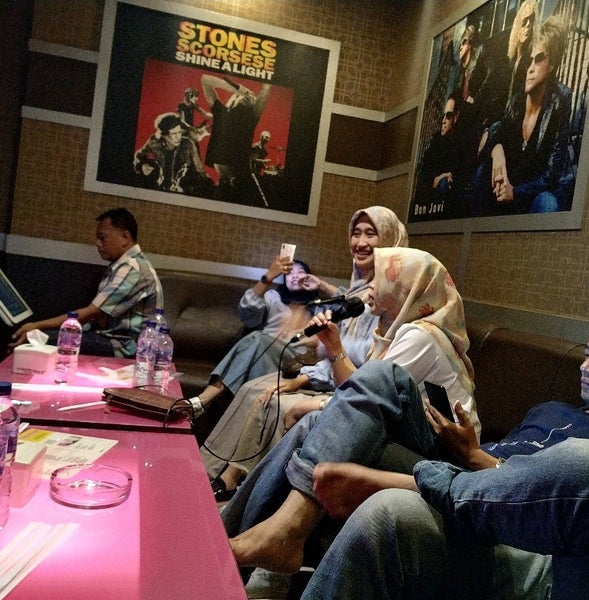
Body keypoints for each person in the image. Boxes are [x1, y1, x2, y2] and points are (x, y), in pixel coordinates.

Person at [221, 246, 481, 573]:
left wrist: (317, 400)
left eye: (381, 278)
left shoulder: (421, 335)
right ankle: (237, 535)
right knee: (312, 423)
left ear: (406, 287)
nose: (370, 287)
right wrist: (333, 346)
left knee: (325, 413)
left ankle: (270, 534)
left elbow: (371, 388)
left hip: (446, 455)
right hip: (409, 438)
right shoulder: (392, 329)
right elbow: (361, 392)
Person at [298, 323, 589, 600]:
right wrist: (466, 449)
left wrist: (475, 457)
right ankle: (281, 542)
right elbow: (504, 455)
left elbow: (539, 501)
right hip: (462, 471)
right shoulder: (551, 409)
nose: (585, 367)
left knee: (387, 507)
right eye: (587, 355)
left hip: (508, 523)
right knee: (331, 418)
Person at [202, 206, 408, 501]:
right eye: (356, 233)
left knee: (270, 397)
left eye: (370, 234)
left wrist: (304, 374)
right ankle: (208, 468)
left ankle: (238, 485)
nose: (360, 242)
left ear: (389, 241)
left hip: (347, 388)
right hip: (327, 374)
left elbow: (362, 363)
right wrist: (271, 278)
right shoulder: (349, 292)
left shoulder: (386, 298)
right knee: (252, 388)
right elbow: (339, 337)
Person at [11, 208, 163, 358]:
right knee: (44, 335)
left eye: (102, 237)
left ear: (125, 237)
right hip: (112, 338)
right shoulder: (125, 264)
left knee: (40, 339)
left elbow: (92, 313)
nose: (97, 243)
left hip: (127, 346)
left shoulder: (132, 268)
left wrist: (37, 326)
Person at [188, 256, 320, 417]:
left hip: (294, 360)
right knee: (258, 343)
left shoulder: (320, 306)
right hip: (264, 356)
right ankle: (221, 409)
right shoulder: (273, 297)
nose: (295, 276)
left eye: (300, 272)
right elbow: (247, 315)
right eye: (290, 273)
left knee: (258, 338)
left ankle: (203, 400)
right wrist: (268, 277)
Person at [472, 15, 573, 215]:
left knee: (548, 203)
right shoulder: (518, 101)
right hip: (506, 187)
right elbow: (495, 136)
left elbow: (551, 175)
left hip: (530, 193)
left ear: (552, 65)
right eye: (530, 60)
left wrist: (515, 193)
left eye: (539, 59)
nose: (530, 68)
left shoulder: (560, 101)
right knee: (483, 171)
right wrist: (497, 152)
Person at [201, 74, 271, 190]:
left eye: (251, 96)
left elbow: (267, 88)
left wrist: (242, 93)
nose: (248, 95)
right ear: (232, 100)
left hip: (243, 180)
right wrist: (236, 90)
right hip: (225, 183)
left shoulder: (251, 118)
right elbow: (205, 80)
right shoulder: (221, 113)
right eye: (240, 96)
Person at [415, 93, 474, 218]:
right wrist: (436, 179)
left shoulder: (464, 142)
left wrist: (443, 178)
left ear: (456, 117)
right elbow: (423, 177)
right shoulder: (436, 141)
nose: (443, 121)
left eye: (448, 116)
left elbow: (461, 176)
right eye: (443, 115)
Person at [133, 112, 211, 195]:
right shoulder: (155, 144)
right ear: (165, 135)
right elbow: (138, 157)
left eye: (179, 132)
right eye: (174, 133)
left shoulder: (188, 144)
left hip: (182, 192)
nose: (178, 137)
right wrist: (141, 166)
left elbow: (200, 171)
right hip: (157, 191)